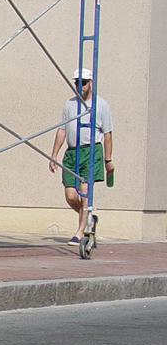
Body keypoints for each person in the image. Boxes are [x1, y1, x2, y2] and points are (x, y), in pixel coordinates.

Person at [49, 69, 114, 246]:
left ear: (91, 83)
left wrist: (108, 160)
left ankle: (79, 233)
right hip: (72, 152)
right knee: (71, 196)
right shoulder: (70, 104)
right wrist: (54, 155)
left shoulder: (101, 104)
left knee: (85, 193)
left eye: (83, 82)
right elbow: (62, 130)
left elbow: (108, 134)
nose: (80, 85)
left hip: (91, 152)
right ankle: (89, 218)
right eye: (77, 82)